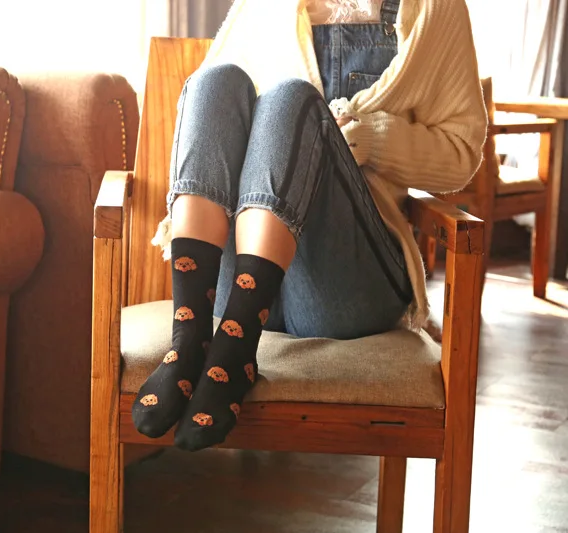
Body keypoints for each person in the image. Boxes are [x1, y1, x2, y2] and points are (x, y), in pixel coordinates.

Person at [132, 0, 488, 452]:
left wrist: (367, 137)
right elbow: (206, 134)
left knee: (290, 98)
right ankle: (189, 342)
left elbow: (461, 153)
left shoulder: (434, 9)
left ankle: (233, 353)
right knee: (212, 82)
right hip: (234, 282)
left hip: (344, 285)